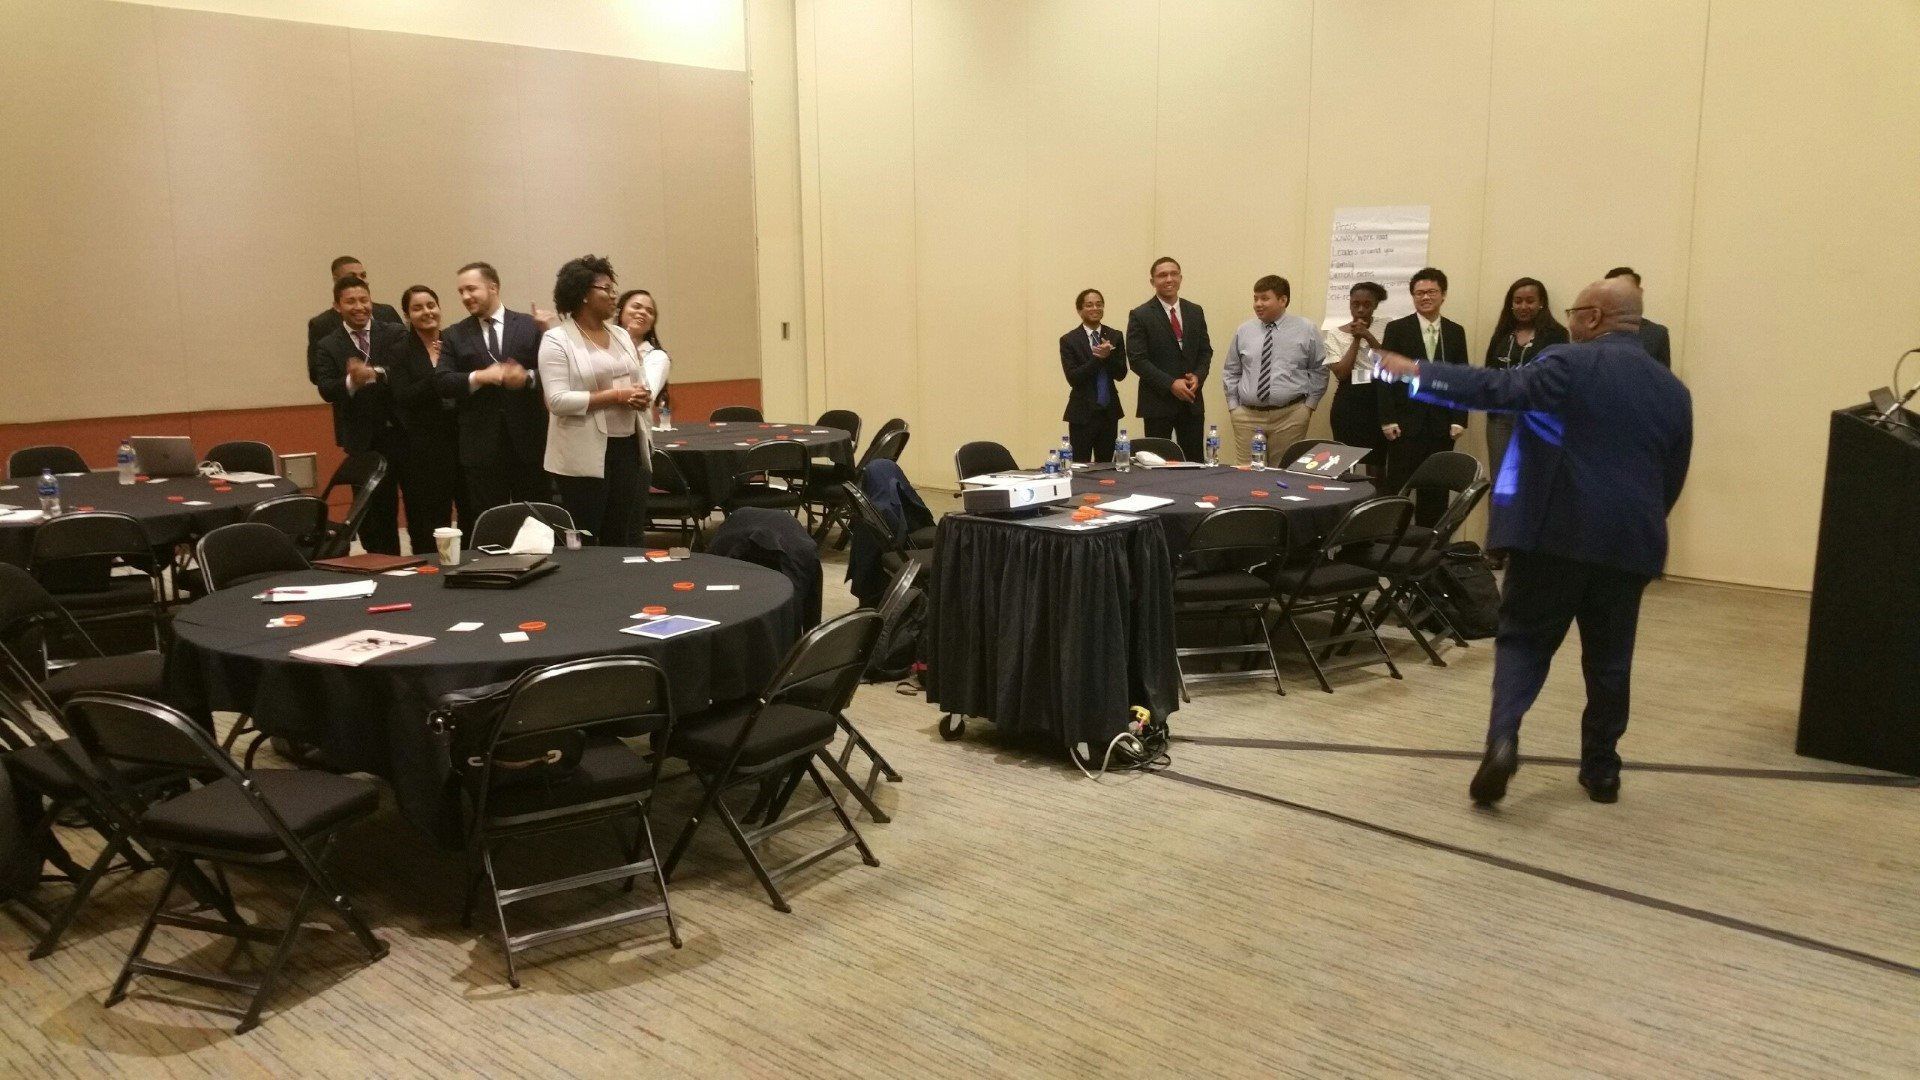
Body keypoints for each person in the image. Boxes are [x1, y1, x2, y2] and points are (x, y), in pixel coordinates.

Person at [1375, 278, 1692, 806]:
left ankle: (1503, 740)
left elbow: (1497, 390)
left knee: (1523, 641)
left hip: (1553, 535)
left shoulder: (1567, 364)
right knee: (1611, 659)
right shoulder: (1673, 391)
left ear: (1592, 317)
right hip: (1628, 544)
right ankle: (1602, 770)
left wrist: (1417, 372)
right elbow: (1671, 476)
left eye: (1572, 312)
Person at [539, 256, 651, 546]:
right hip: (583, 451)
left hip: (626, 444)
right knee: (586, 533)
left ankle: (620, 589)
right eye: (607, 289)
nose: (614, 296)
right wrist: (616, 396)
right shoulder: (556, 340)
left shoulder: (621, 335)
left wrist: (641, 394)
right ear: (584, 294)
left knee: (620, 531)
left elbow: (637, 378)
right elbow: (557, 400)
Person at [437, 262, 553, 512]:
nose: (465, 297)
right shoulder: (453, 334)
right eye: (461, 292)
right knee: (490, 522)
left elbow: (556, 373)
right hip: (481, 448)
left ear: (493, 287)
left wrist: (527, 377)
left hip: (529, 443)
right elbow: (443, 382)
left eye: (471, 289)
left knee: (538, 519)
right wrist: (479, 377)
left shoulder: (529, 325)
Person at [309, 275, 410, 554]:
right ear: (337, 306)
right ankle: (381, 564)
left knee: (414, 503)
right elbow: (326, 388)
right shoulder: (328, 344)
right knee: (373, 513)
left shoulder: (394, 332)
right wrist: (352, 381)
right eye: (350, 301)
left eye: (364, 300)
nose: (359, 306)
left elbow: (403, 370)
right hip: (363, 439)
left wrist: (374, 373)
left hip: (402, 433)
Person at [1377, 267, 1469, 525]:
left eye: (1431, 292)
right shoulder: (1398, 328)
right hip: (1404, 424)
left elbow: (1461, 376)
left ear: (1443, 295)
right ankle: (1392, 545)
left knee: (1436, 492)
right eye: (1419, 293)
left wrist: (1460, 418)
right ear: (1412, 296)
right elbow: (1384, 376)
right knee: (1397, 488)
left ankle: (1428, 551)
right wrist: (1387, 419)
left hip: (1441, 425)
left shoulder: (1455, 331)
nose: (1425, 297)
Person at [386, 285, 472, 546]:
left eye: (431, 305)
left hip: (462, 438)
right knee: (430, 517)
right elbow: (403, 396)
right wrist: (436, 374)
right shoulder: (399, 350)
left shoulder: (454, 342)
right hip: (423, 447)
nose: (427, 312)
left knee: (469, 510)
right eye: (418, 308)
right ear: (407, 315)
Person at [1483, 278, 1569, 511]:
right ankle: (1497, 546)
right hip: (1501, 420)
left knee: (1533, 484)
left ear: (1541, 304)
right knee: (1500, 485)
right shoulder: (1502, 334)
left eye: (1530, 301)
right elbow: (1489, 373)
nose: (1523, 306)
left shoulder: (1556, 335)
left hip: (1536, 421)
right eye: (1517, 301)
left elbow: (1559, 379)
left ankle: (1526, 546)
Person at [1222, 275, 1325, 465]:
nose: (1258, 304)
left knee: (1282, 474)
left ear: (1283, 300)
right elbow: (1231, 370)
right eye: (1255, 298)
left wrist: (1309, 406)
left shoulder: (1306, 329)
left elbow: (1319, 369)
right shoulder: (1244, 330)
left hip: (1290, 415)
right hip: (1247, 416)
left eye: (1264, 298)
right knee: (1247, 474)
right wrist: (1233, 406)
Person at [1126, 257, 1212, 460]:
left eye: (1174, 274)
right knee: (1157, 463)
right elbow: (1138, 360)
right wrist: (1171, 383)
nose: (1169, 279)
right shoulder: (1140, 314)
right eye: (1162, 275)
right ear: (1152, 281)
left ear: (1181, 278)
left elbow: (1205, 351)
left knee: (1194, 462)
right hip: (1158, 402)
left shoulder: (1195, 311)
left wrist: (1198, 377)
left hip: (1191, 401)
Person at [1321, 281, 1389, 472]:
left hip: (1378, 397)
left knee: (1377, 463)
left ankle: (1375, 501)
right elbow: (1342, 373)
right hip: (1349, 400)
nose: (1360, 309)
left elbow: (1389, 363)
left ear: (1375, 305)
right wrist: (1356, 338)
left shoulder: (1387, 327)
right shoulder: (1335, 334)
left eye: (1366, 305)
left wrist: (1367, 334)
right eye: (1355, 304)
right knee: (1345, 460)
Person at [1059, 289, 1127, 463]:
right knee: (1080, 465)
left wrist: (1108, 357)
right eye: (1089, 305)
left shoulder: (1114, 336)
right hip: (1082, 413)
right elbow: (1073, 378)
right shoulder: (1069, 340)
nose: (1095, 308)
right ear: (1080, 310)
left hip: (1109, 412)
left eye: (1099, 304)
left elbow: (1121, 374)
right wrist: (1098, 359)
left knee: (1107, 466)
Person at [306, 256, 400, 354]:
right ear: (336, 280)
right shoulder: (322, 324)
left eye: (363, 275)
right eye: (352, 276)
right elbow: (318, 366)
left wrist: (376, 370)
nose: (360, 281)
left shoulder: (387, 313)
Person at [616, 289, 673, 426]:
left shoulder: (657, 357)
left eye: (650, 311)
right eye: (636, 307)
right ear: (620, 311)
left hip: (634, 431)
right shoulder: (603, 346)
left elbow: (646, 397)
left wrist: (633, 350)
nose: (642, 312)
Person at [1605, 267, 1671, 368]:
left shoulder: (1657, 334)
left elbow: (1663, 379)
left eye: (1630, 289)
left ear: (1640, 292)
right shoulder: (1590, 329)